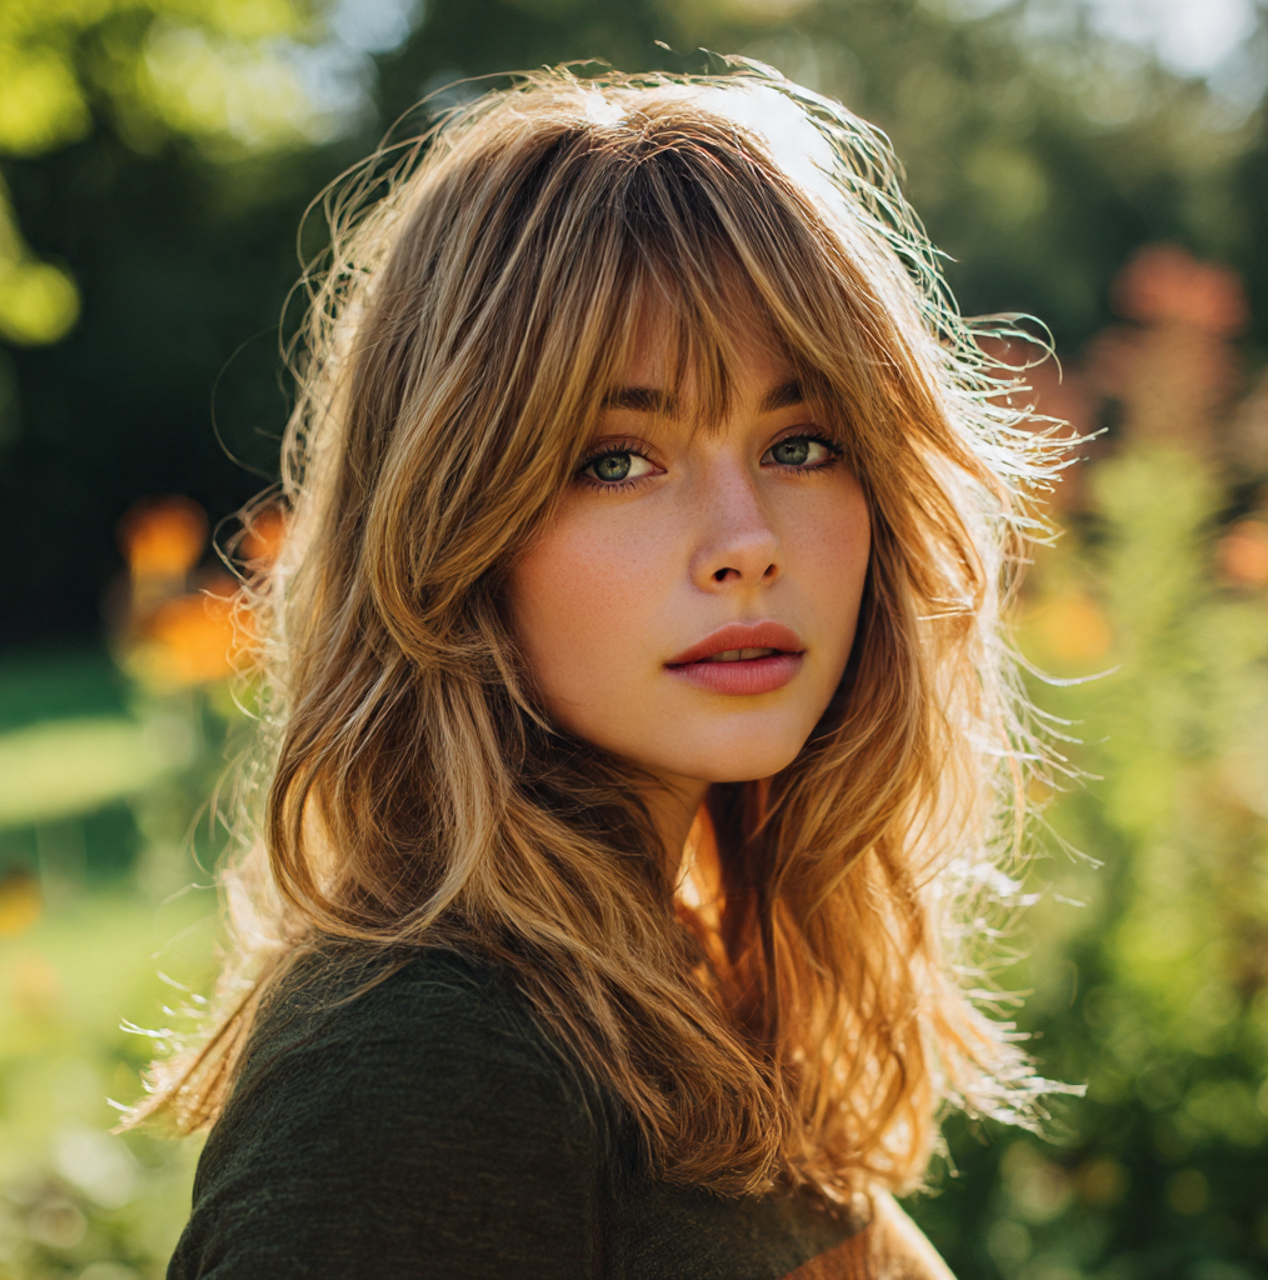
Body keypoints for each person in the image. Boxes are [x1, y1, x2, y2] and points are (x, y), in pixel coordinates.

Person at [146, 61, 1065, 1279]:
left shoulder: (676, 972)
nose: (745, 541)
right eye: (616, 459)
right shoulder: (427, 1062)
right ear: (450, 525)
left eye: (799, 443)